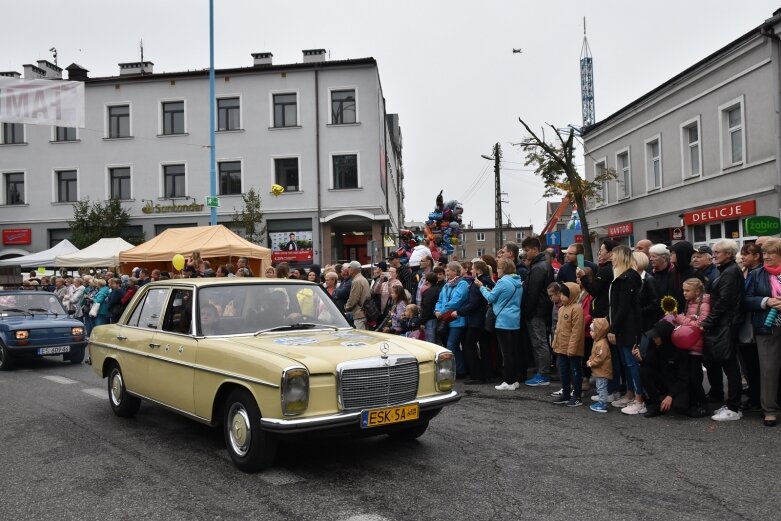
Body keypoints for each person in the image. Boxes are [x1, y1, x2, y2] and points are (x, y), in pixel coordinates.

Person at [702, 239, 745, 422]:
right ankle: (731, 404)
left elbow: (723, 302)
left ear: (728, 254)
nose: (714, 255)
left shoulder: (730, 272)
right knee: (726, 362)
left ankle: (734, 407)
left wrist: (708, 322)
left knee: (730, 364)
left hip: (727, 324)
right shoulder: (726, 270)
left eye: (717, 252)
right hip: (724, 323)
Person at [743, 237, 781, 427]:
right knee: (768, 370)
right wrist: (766, 301)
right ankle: (770, 410)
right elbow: (746, 299)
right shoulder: (756, 274)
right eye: (764, 253)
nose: (766, 257)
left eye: (771, 253)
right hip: (766, 327)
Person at [640, 320, 708, 418]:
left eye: (656, 337)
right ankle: (658, 405)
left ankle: (692, 405)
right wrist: (641, 360)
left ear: (664, 336)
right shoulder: (657, 346)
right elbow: (652, 364)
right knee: (644, 371)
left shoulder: (680, 350)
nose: (654, 339)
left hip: (679, 384)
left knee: (679, 407)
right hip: (666, 380)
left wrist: (670, 395)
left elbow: (684, 379)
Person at [607, 245, 645, 415]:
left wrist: (612, 328)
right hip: (623, 326)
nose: (611, 259)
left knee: (631, 363)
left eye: (614, 255)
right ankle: (630, 394)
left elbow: (623, 307)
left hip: (629, 327)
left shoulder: (628, 277)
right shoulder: (622, 277)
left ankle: (639, 398)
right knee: (626, 363)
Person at [477, 257, 523, 390]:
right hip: (515, 319)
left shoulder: (503, 282)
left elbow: (491, 298)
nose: (497, 271)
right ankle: (514, 380)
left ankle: (508, 381)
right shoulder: (517, 281)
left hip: (503, 320)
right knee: (513, 351)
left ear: (504, 269)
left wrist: (481, 288)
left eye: (499, 268)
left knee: (506, 353)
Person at [521, 236, 555, 387]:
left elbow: (533, 293)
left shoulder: (538, 267)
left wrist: (527, 311)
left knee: (539, 342)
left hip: (536, 312)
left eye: (527, 250)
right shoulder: (541, 265)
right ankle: (541, 371)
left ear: (535, 249)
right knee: (540, 342)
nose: (525, 253)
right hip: (539, 310)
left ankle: (543, 373)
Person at [550, 282, 585, 407]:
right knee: (563, 371)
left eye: (565, 295)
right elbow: (557, 329)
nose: (562, 297)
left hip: (572, 348)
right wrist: (555, 343)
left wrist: (572, 348)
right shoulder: (561, 309)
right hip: (561, 346)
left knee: (575, 371)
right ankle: (565, 393)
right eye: (562, 294)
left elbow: (576, 331)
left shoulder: (576, 309)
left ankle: (577, 396)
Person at [460, 259, 494, 383]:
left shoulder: (477, 283)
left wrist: (459, 312)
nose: (472, 271)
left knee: (470, 346)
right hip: (486, 319)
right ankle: (488, 374)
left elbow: (473, 304)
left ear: (478, 270)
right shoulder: (489, 281)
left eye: (473, 269)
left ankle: (476, 375)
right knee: (485, 347)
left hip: (476, 320)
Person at [738, 242, 763, 412]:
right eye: (742, 253)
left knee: (755, 363)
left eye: (747, 254)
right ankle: (755, 393)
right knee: (749, 362)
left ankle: (757, 397)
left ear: (757, 256)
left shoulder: (759, 273)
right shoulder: (745, 271)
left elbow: (747, 297)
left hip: (755, 324)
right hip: (746, 323)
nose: (743, 257)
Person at [435, 261, 471, 376]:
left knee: (451, 345)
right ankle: (459, 369)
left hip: (457, 320)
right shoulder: (447, 284)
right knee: (451, 345)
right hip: (446, 319)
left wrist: (442, 311)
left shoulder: (463, 284)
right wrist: (436, 310)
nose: (446, 272)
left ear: (455, 271)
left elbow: (457, 301)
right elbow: (440, 300)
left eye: (448, 270)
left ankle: (460, 370)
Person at [587, 318, 613, 413]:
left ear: (599, 331)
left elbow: (600, 358)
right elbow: (595, 354)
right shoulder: (597, 341)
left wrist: (591, 362)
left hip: (602, 371)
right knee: (599, 386)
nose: (590, 332)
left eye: (593, 331)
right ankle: (601, 402)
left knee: (601, 387)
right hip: (599, 371)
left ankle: (602, 404)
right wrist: (591, 358)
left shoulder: (602, 343)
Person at [344, 260, 370, 329]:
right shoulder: (362, 279)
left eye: (349, 268)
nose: (348, 270)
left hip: (359, 314)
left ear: (352, 269)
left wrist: (346, 307)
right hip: (364, 312)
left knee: (360, 337)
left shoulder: (357, 281)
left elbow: (353, 299)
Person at [419, 271, 444, 344]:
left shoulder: (428, 292)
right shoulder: (439, 289)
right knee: (437, 341)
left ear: (427, 281)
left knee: (430, 342)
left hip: (430, 320)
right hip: (437, 318)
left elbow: (426, 307)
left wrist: (422, 321)